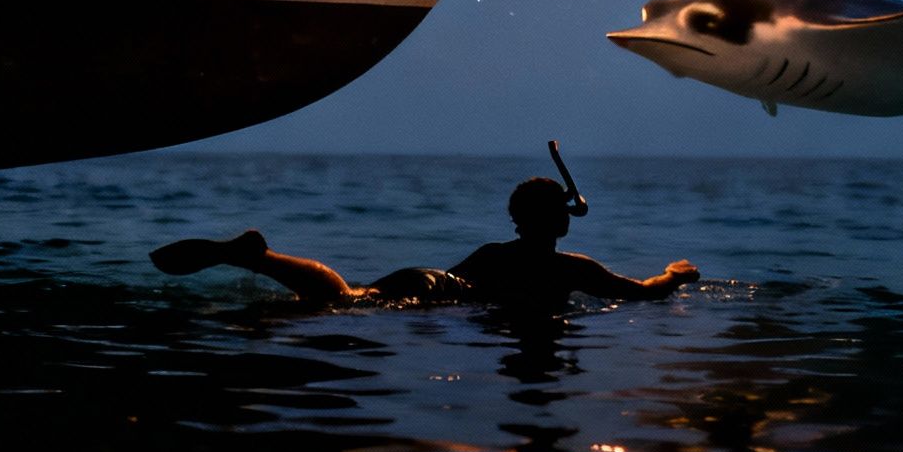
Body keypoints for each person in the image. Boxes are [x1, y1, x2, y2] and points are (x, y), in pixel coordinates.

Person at [150, 177, 699, 308]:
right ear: (562, 221)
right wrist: (676, 272)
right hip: (438, 294)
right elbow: (645, 295)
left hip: (430, 279)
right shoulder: (575, 269)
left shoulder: (493, 253)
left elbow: (451, 276)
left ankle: (264, 259)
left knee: (351, 299)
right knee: (343, 303)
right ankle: (261, 258)